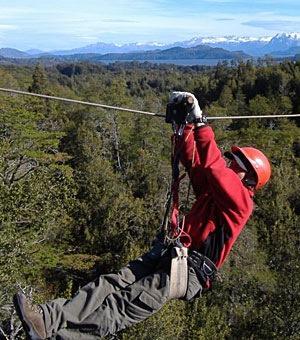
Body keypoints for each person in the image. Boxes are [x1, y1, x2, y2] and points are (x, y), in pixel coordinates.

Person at [13, 92, 271, 340]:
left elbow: (214, 168)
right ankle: (47, 320)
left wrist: (201, 124)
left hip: (189, 270)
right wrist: (186, 128)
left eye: (235, 165)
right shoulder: (213, 193)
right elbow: (195, 162)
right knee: (109, 284)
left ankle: (60, 338)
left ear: (248, 178)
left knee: (124, 304)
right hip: (173, 253)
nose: (229, 165)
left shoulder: (241, 204)